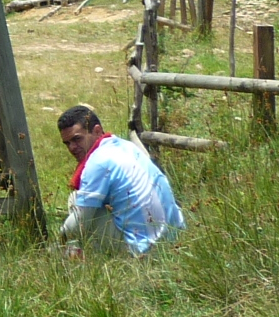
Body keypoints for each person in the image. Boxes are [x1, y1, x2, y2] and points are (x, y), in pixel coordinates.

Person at [56, 104, 184, 256]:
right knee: (81, 200)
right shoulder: (126, 146)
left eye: (77, 139)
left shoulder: (98, 161)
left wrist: (59, 241)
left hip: (144, 250)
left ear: (97, 131)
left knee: (78, 205)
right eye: (67, 143)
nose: (72, 148)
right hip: (175, 236)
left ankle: (74, 253)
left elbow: (80, 221)